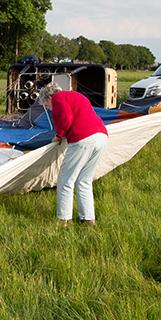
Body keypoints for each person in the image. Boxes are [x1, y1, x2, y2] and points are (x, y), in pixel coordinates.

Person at [38, 82, 109, 226]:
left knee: (66, 179)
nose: (48, 107)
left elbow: (67, 117)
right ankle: (88, 219)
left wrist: (59, 135)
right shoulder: (76, 96)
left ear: (48, 97)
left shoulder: (57, 98)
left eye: (46, 104)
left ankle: (63, 219)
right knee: (84, 180)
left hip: (83, 138)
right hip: (101, 136)